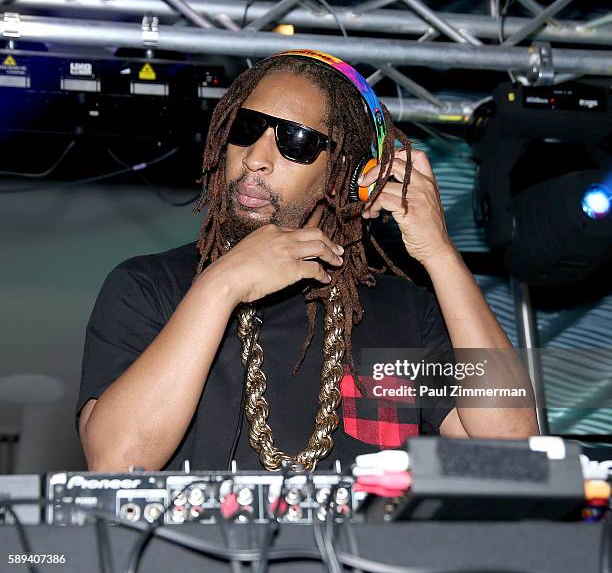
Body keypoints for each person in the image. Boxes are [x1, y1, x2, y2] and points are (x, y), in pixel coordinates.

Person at [76, 51, 539, 473]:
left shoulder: (408, 314)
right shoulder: (147, 286)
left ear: (346, 175)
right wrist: (222, 286)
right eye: (246, 128)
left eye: (294, 141)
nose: (256, 157)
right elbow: (117, 460)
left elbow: (513, 448)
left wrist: (439, 253)